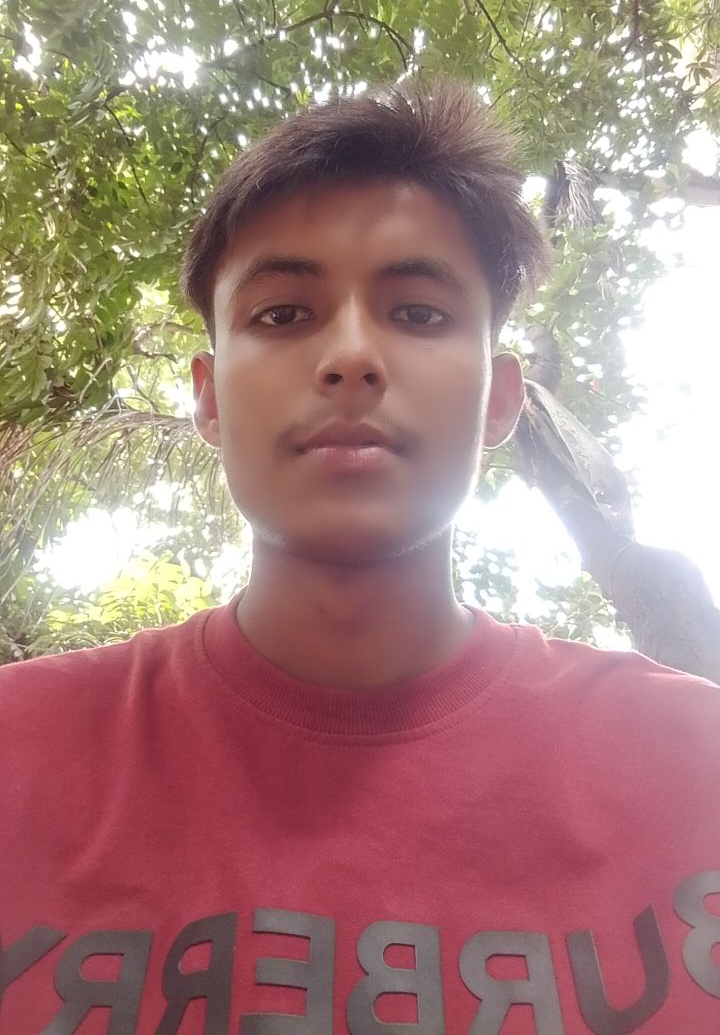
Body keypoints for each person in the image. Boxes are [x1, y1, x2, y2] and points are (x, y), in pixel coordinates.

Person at [1, 79, 718, 1035]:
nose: (350, 356)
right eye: (282, 315)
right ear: (208, 397)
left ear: (501, 398)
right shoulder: (20, 756)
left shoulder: (696, 767)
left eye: (418, 313)